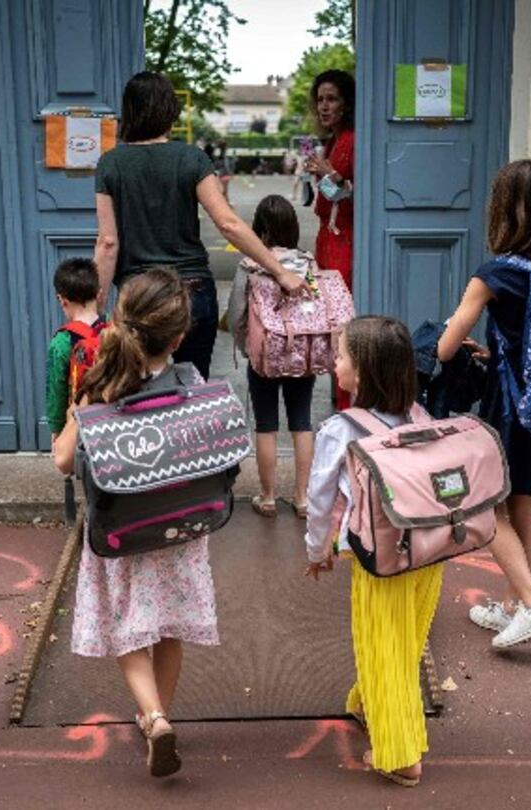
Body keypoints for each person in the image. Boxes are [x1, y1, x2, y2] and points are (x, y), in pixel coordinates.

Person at [303, 317, 531, 787]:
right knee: (406, 640)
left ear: (364, 373)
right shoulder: (421, 417)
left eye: (341, 356)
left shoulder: (341, 429)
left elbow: (320, 500)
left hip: (379, 559)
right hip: (428, 551)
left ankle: (401, 754)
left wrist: (318, 549)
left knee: (383, 645)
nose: (334, 363)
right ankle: (368, 702)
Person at [51, 268, 219, 779]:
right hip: (179, 530)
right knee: (169, 627)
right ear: (180, 335)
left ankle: (155, 717)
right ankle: (156, 717)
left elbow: (63, 460)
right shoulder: (190, 382)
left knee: (127, 627)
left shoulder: (102, 386)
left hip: (119, 532)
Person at [436, 160, 531, 640]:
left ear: (503, 210)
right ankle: (514, 604)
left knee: (487, 508)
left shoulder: (494, 274)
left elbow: (446, 347)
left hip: (510, 410)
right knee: (525, 506)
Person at [95, 72, 302, 380]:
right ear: (170, 111)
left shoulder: (110, 163)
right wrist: (281, 271)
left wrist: (95, 308)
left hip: (140, 296)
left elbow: (108, 243)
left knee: (137, 391)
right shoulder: (192, 158)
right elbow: (229, 223)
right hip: (193, 292)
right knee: (193, 392)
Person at [237, 195, 316, 519]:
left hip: (265, 354)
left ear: (260, 229)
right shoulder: (307, 261)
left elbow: (237, 311)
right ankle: (301, 499)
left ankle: (268, 497)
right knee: (302, 422)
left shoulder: (249, 263)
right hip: (302, 354)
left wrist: (246, 345)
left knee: (266, 424)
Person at [304, 69, 357, 411]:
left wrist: (327, 175)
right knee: (333, 323)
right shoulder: (334, 139)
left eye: (332, 99)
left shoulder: (350, 140)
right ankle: (341, 400)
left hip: (342, 240)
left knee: (341, 325)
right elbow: (334, 195)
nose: (324, 106)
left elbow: (351, 197)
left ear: (347, 103)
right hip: (330, 238)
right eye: (320, 99)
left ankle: (346, 404)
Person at [44, 257, 104, 437]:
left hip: (79, 423)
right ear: (99, 294)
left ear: (62, 300)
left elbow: (56, 390)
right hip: (115, 418)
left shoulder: (62, 341)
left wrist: (57, 429)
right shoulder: (115, 329)